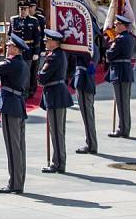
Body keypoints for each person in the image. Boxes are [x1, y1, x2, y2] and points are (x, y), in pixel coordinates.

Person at [0, 34, 29, 193]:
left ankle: (15, 184)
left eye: (10, 45)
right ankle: (19, 181)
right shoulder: (22, 64)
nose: (7, 47)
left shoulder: (12, 63)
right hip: (18, 105)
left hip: (11, 106)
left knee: (13, 148)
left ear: (16, 49)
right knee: (19, 148)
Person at [38, 29, 73, 173]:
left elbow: (42, 77)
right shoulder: (59, 54)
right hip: (57, 93)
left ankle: (58, 163)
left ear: (54, 42)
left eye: (48, 40)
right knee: (58, 131)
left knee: (57, 132)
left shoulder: (54, 57)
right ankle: (58, 161)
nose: (46, 42)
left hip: (55, 95)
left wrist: (39, 74)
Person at [73, 20, 100, 154]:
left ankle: (91, 144)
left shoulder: (89, 48)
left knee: (88, 115)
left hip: (85, 83)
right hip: (86, 82)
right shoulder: (92, 47)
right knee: (88, 115)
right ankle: (91, 143)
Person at [107, 15, 134, 138]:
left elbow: (110, 55)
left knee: (121, 102)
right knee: (124, 102)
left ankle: (122, 129)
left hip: (120, 72)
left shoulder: (120, 39)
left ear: (123, 26)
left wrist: (109, 46)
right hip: (125, 71)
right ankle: (125, 128)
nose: (115, 26)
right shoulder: (128, 38)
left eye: (117, 24)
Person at [9, 1, 40, 96]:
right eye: (21, 9)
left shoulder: (33, 20)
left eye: (25, 9)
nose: (23, 11)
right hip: (16, 50)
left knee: (26, 72)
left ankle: (25, 92)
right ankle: (16, 90)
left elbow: (37, 38)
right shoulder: (13, 20)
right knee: (16, 71)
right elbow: (10, 35)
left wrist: (36, 52)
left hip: (28, 50)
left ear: (28, 9)